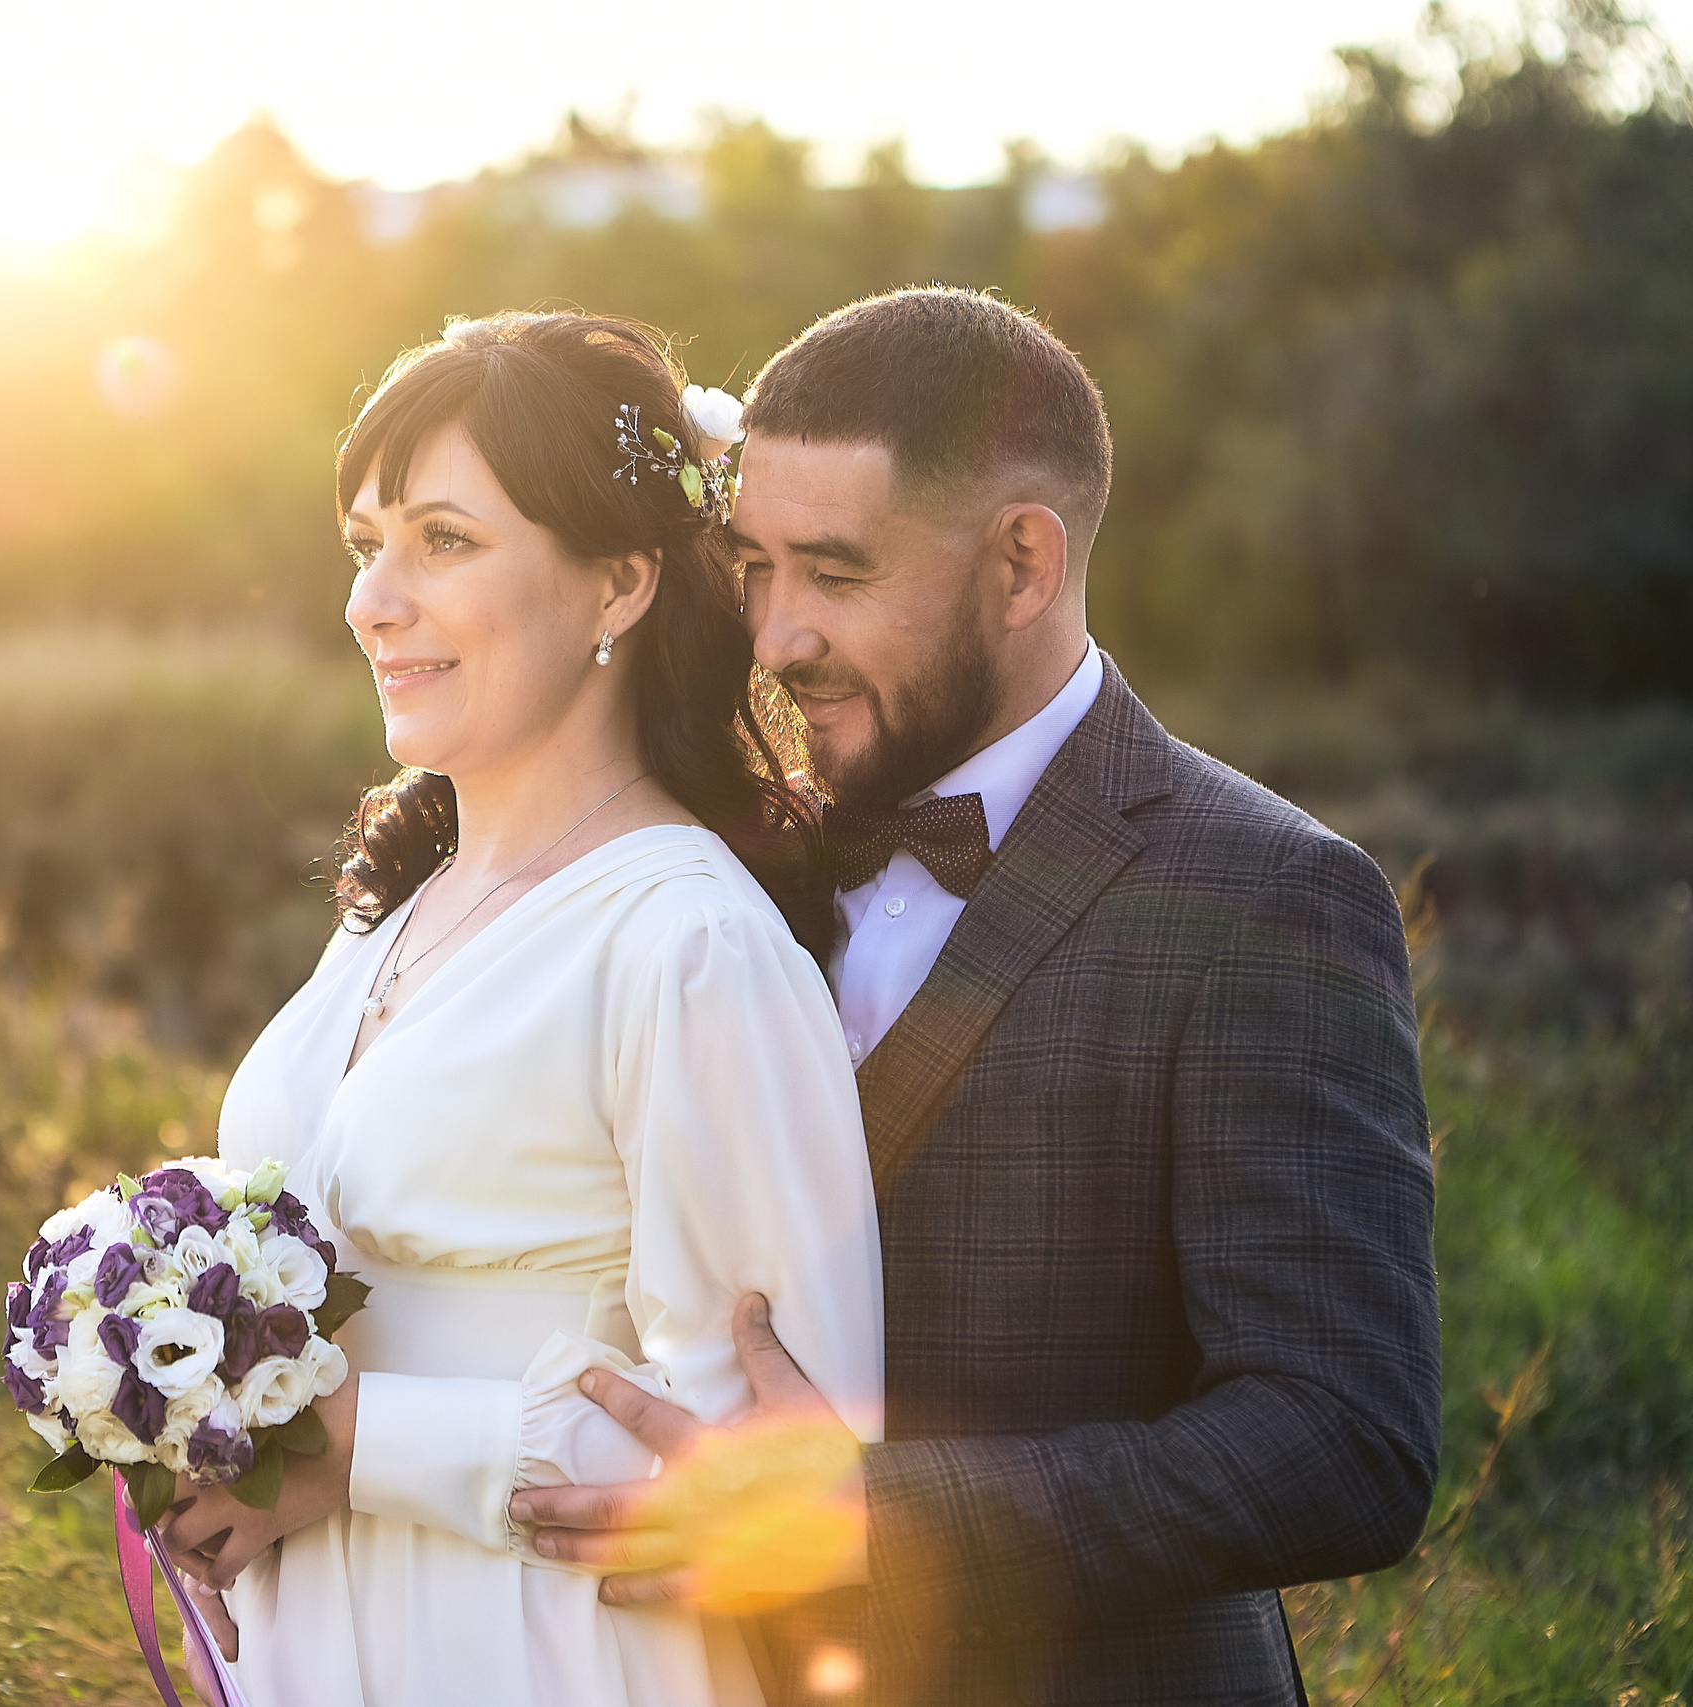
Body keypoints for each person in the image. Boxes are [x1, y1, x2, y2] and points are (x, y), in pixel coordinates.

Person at [512, 287, 1444, 1704]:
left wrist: (871, 1520)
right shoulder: (715, 872)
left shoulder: (1269, 895)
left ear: (1022, 563)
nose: (775, 639)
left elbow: (1341, 1444)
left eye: (836, 572)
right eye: (754, 567)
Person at [157, 310, 885, 1707]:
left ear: (619, 584)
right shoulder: (389, 918)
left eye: (444, 540)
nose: (374, 599)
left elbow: (775, 1466)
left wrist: (347, 1447)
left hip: (547, 1657)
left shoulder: (687, 943)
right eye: (368, 543)